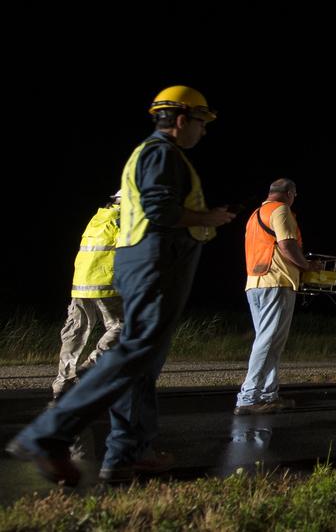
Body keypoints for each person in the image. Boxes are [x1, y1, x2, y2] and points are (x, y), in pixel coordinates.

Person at [6, 87, 235, 486]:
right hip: (153, 262)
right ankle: (49, 435)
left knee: (142, 363)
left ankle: (129, 451)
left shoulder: (155, 155)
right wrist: (209, 217)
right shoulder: (161, 154)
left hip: (152, 263)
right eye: (201, 121)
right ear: (181, 120)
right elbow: (159, 210)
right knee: (132, 353)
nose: (203, 130)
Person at [235, 178, 321, 415]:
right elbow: (286, 246)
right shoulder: (281, 211)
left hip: (255, 282)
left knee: (271, 342)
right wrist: (306, 265)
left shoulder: (256, 214)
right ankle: (248, 397)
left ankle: (268, 395)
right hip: (276, 282)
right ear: (290, 193)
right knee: (267, 341)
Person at [51, 194, 125, 400]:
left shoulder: (98, 218)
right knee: (124, 327)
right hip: (105, 282)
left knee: (75, 332)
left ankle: (63, 382)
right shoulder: (125, 219)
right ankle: (90, 368)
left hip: (81, 284)